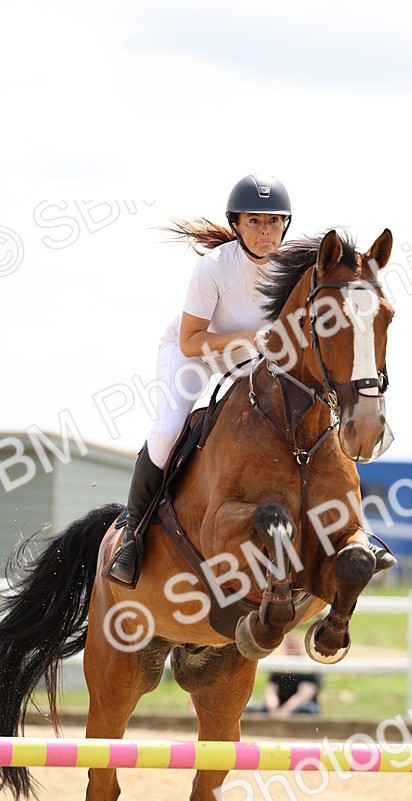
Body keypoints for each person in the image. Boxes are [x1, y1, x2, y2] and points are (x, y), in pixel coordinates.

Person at [108, 174, 293, 586]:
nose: (266, 232)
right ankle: (133, 536)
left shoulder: (294, 267)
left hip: (247, 360)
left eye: (273, 222)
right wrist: (250, 338)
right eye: (254, 222)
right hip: (192, 352)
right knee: (170, 429)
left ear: (286, 224)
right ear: (236, 226)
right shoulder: (213, 267)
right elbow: (191, 341)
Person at [262, 635, 321, 715]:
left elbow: (304, 695)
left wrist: (285, 711)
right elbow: (271, 690)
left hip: (299, 707)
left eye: (294, 646)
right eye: (290, 646)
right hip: (278, 708)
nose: (292, 649)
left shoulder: (307, 667)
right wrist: (273, 708)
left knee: (307, 710)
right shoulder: (280, 666)